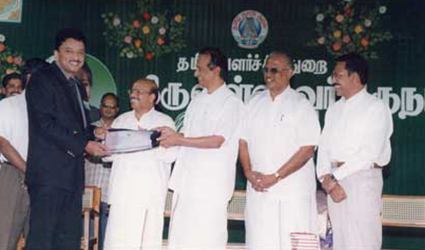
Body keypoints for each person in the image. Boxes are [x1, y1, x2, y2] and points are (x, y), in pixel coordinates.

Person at [25, 28, 107, 250]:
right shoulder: (42, 79)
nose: (76, 57)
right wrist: (85, 144)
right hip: (49, 177)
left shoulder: (77, 86)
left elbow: (73, 127)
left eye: (81, 52)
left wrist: (93, 133)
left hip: (71, 178)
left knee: (68, 240)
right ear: (56, 53)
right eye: (69, 51)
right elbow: (45, 124)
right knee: (43, 240)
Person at [157, 47, 243, 250]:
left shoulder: (231, 102)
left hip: (211, 187)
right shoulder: (197, 100)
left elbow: (217, 141)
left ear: (216, 70)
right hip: (186, 183)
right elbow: (186, 136)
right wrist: (170, 137)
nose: (196, 74)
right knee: (180, 240)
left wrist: (179, 139)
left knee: (207, 241)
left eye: (200, 69)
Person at [239, 51, 321, 249]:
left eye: (274, 70)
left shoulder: (302, 105)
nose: (269, 74)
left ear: (290, 72)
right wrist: (248, 172)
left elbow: (307, 149)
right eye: (266, 69)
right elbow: (242, 141)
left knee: (293, 243)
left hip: (292, 192)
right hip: (259, 190)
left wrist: (275, 176)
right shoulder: (253, 103)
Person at [316, 53, 393, 250]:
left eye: (338, 75)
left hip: (362, 180)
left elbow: (369, 153)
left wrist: (334, 177)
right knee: (340, 242)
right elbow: (323, 148)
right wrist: (326, 179)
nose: (333, 80)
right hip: (333, 183)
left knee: (363, 242)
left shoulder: (376, 107)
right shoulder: (333, 110)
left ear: (355, 77)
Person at [103, 79, 177, 250]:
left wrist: (149, 141)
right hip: (122, 195)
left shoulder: (165, 122)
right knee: (117, 243)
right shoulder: (121, 121)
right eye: (132, 91)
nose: (132, 95)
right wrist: (106, 145)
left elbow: (172, 156)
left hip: (149, 196)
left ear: (152, 97)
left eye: (138, 92)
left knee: (147, 243)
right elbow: (108, 156)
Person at [0, 59, 49, 250]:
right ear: (27, 78)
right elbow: (3, 143)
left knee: (39, 241)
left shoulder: (51, 109)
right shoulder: (7, 105)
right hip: (13, 176)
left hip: (44, 179)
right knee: (4, 239)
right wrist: (29, 172)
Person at [85, 92, 119, 250]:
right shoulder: (89, 129)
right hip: (89, 189)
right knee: (88, 237)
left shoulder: (121, 131)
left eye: (112, 107)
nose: (109, 109)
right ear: (100, 108)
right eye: (106, 106)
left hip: (110, 191)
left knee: (107, 239)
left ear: (117, 109)